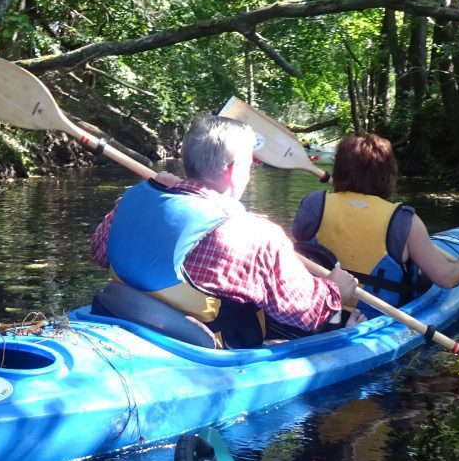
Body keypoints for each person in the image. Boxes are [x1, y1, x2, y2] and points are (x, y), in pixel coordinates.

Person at [91, 115, 358, 349]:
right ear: (235, 170)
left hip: (122, 314)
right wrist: (335, 291)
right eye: (251, 165)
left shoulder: (132, 200)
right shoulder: (256, 234)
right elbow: (304, 313)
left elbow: (100, 253)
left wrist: (161, 198)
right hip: (200, 350)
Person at [291, 133, 459, 315]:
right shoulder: (404, 221)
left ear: (339, 169)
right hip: (373, 318)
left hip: (320, 312)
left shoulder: (313, 204)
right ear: (388, 174)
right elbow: (447, 278)